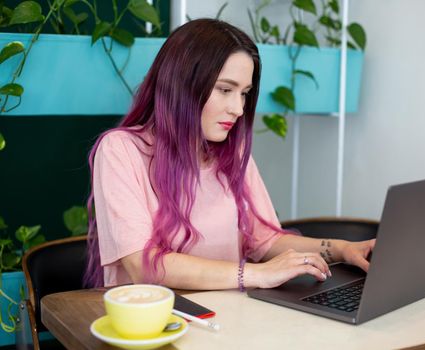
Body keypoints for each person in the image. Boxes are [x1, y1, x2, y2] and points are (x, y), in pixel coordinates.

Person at [84, 18, 375, 290]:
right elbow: (142, 265)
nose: (238, 108)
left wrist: (342, 249)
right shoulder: (120, 151)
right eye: (225, 90)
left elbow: (266, 240)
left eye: (244, 93)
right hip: (156, 330)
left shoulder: (232, 153)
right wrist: (256, 273)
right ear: (183, 85)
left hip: (227, 320)